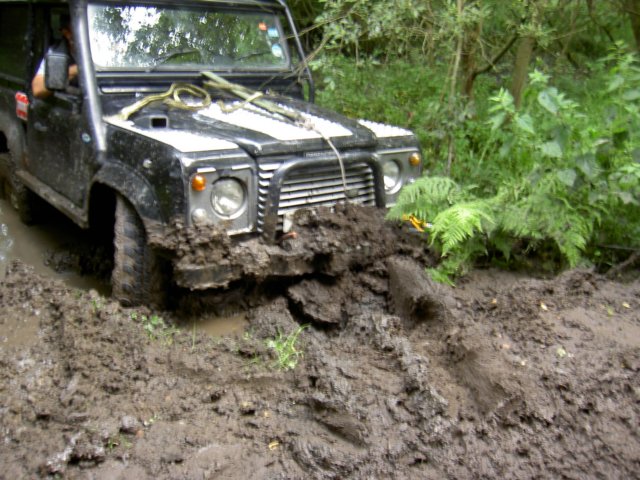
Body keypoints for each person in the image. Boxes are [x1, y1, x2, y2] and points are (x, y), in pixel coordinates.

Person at [31, 14, 78, 99]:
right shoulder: (56, 52)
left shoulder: (100, 49)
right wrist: (76, 70)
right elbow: (37, 88)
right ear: (66, 33)